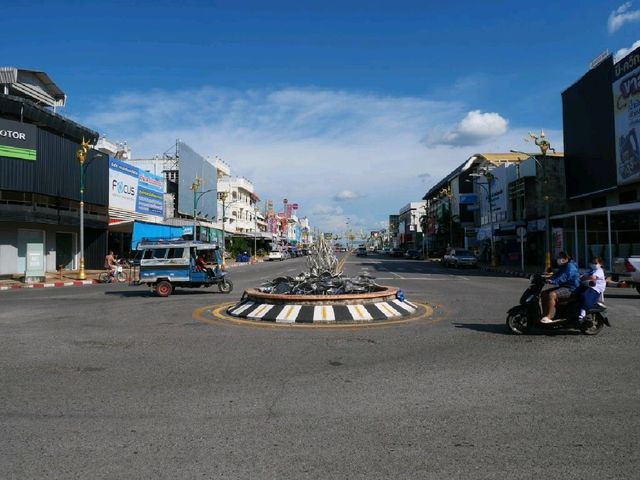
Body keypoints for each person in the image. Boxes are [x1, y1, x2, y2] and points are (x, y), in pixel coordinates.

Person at [540, 251, 580, 323]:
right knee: (544, 293)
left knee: (552, 295)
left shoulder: (570, 267)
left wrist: (553, 281)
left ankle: (549, 317)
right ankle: (544, 315)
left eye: (560, 257)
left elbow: (564, 277)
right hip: (564, 287)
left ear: (566, 258)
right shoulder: (565, 265)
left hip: (571, 289)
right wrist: (547, 278)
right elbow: (557, 274)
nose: (558, 259)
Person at [577, 256, 606, 322]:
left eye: (595, 263)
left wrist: (585, 277)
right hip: (588, 286)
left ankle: (582, 313)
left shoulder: (599, 271)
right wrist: (584, 277)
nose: (593, 264)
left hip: (595, 288)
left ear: (600, 264)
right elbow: (582, 276)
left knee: (585, 296)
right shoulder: (592, 270)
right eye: (593, 263)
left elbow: (593, 278)